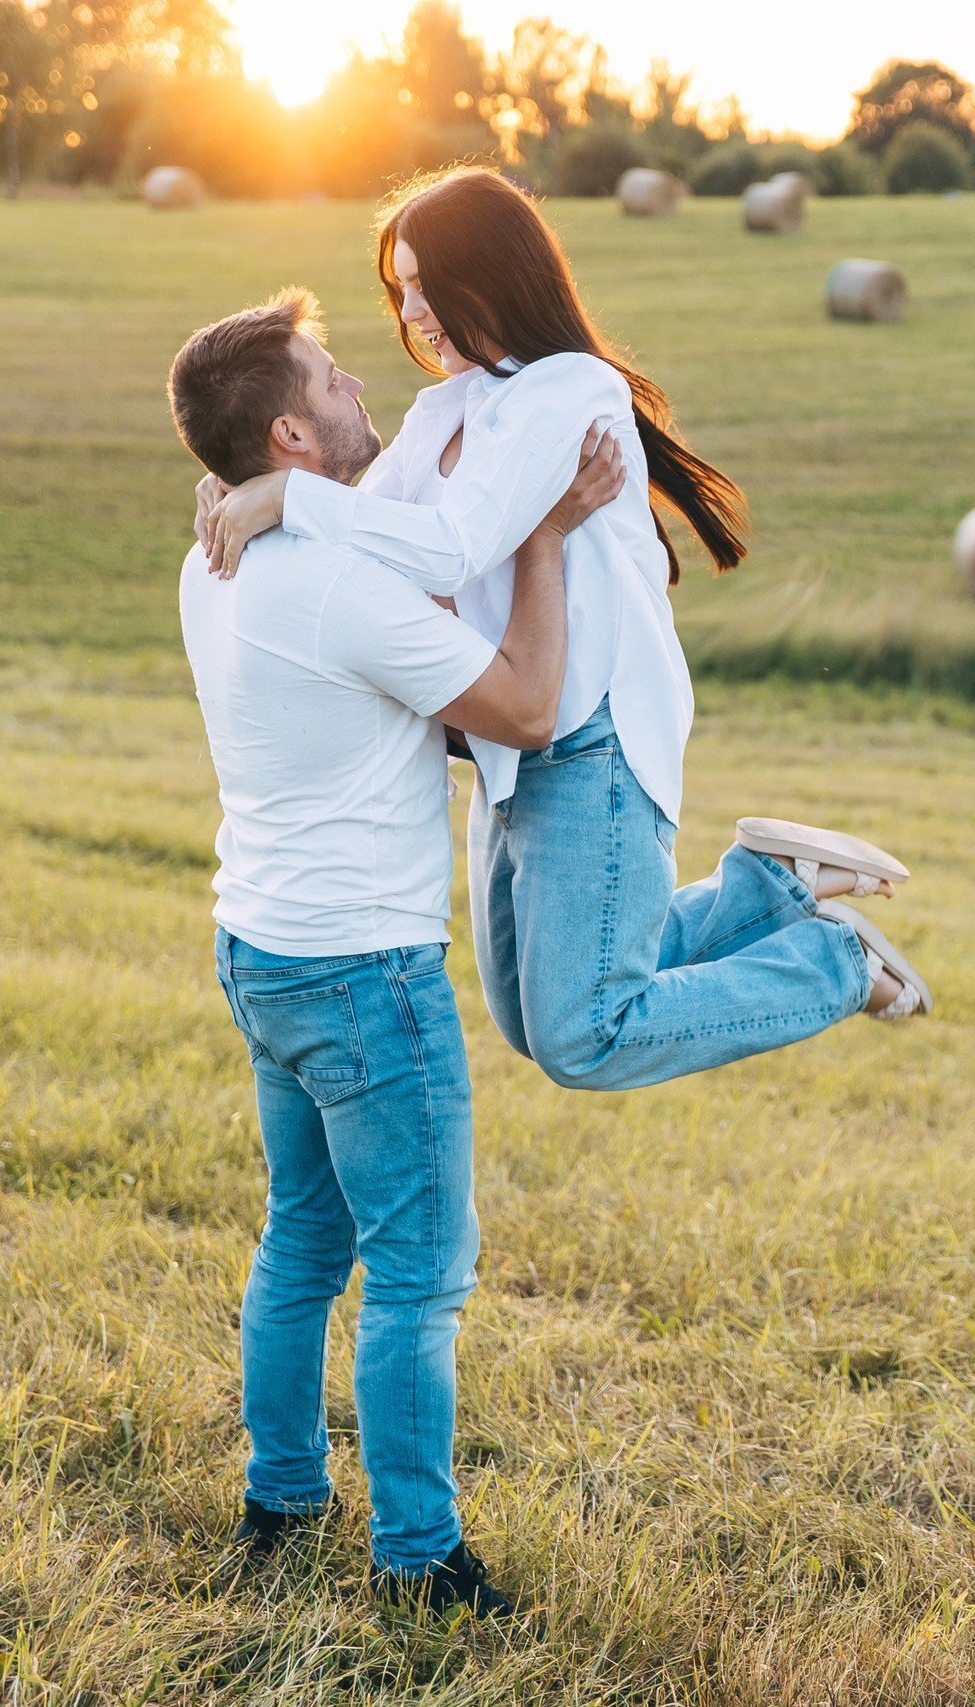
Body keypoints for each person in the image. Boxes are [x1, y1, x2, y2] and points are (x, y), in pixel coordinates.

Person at [196, 167, 932, 1102]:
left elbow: (453, 547)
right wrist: (243, 481)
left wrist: (287, 498)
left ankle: (833, 964)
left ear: (488, 276)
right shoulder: (449, 407)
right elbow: (363, 536)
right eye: (401, 289)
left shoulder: (569, 391)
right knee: (528, 1016)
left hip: (592, 731)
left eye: (423, 285)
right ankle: (770, 886)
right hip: (508, 741)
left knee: (583, 1033)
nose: (410, 312)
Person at [168, 287, 624, 1618]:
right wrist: (544, 537)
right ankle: (421, 1561)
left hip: (261, 947)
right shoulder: (338, 588)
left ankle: (281, 1500)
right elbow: (524, 708)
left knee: (303, 1242)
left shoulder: (211, 564)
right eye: (332, 378)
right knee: (417, 1279)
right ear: (291, 438)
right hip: (367, 974)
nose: (361, 385)